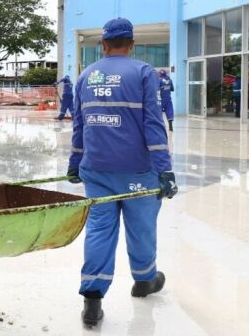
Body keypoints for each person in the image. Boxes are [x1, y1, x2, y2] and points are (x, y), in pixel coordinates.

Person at [66, 18, 177, 327]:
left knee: (100, 229)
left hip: (97, 170)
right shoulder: (144, 73)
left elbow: (80, 126)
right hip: (137, 170)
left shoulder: (85, 76)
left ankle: (92, 300)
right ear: (131, 44)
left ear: (103, 44)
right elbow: (153, 125)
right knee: (141, 225)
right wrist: (165, 170)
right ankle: (144, 281)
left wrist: (75, 162)